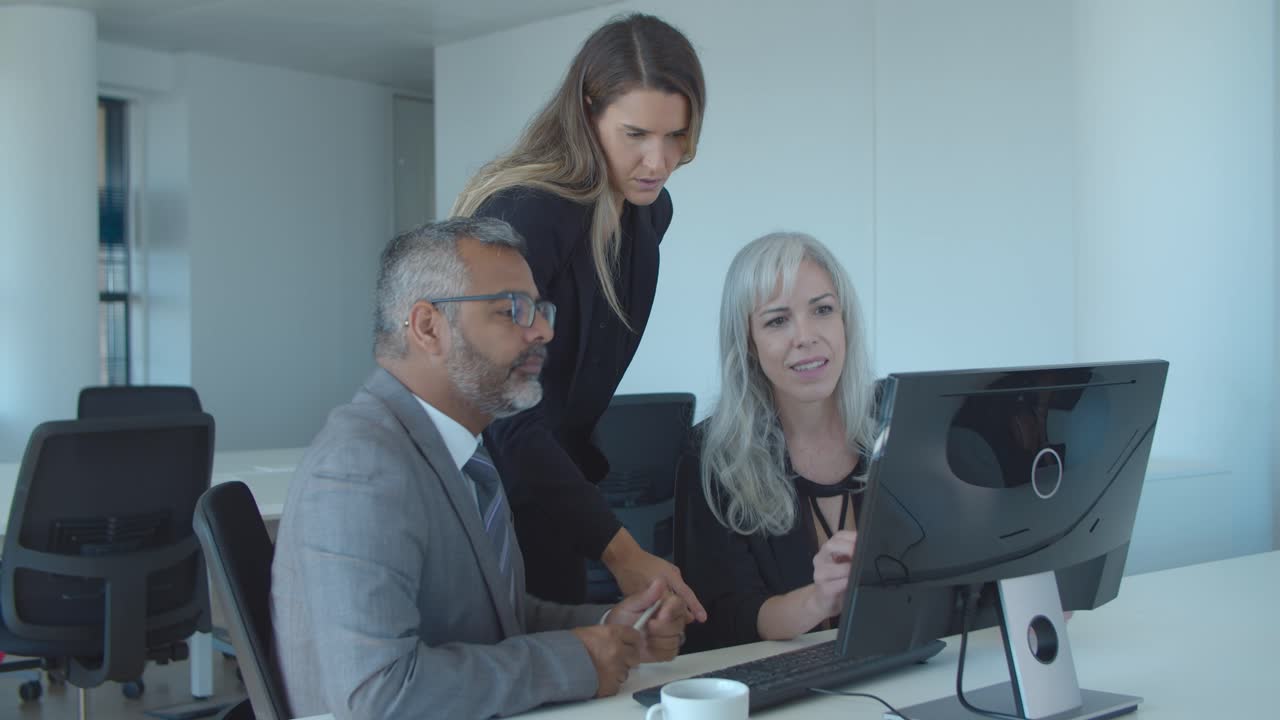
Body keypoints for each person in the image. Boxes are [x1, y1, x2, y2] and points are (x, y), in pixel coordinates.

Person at [269, 217, 689, 719]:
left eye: (538, 308)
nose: (544, 330)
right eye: (513, 309)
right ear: (428, 327)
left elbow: (490, 619)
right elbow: (378, 696)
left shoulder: (462, 451)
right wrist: (572, 661)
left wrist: (610, 626)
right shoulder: (360, 469)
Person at [451, 12, 708, 617]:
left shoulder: (647, 212)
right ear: (587, 112)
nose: (659, 161)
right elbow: (499, 411)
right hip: (483, 503)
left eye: (676, 135)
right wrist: (620, 552)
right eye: (636, 134)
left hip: (550, 490)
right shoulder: (527, 214)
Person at [677, 232, 877, 652]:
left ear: (845, 322)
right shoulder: (713, 454)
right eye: (777, 320)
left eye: (823, 310)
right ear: (748, 342)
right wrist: (818, 600)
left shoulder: (895, 430)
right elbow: (727, 617)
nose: (805, 336)